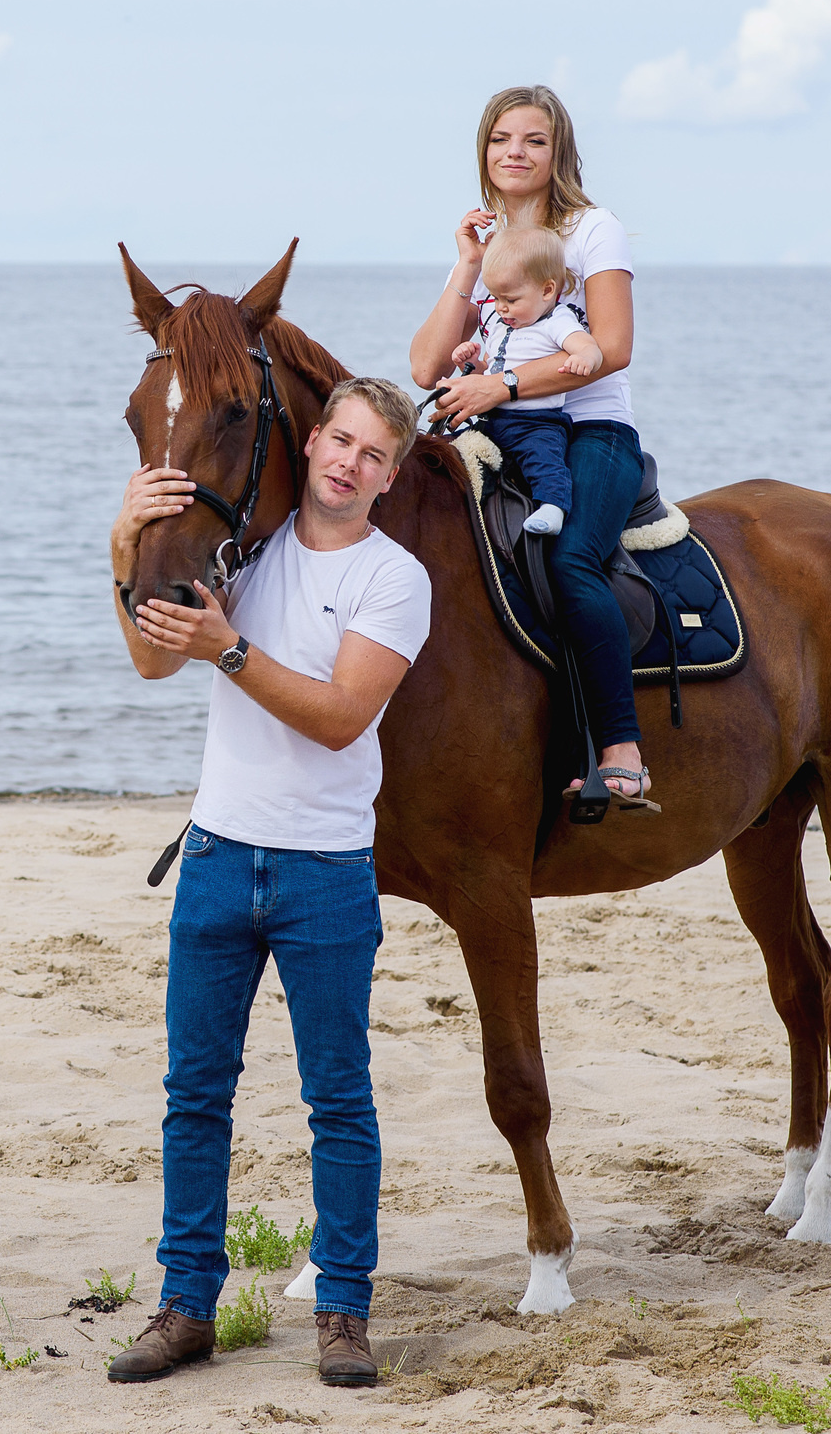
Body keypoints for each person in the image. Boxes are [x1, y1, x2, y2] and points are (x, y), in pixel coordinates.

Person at [105, 376, 432, 1390]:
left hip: (325, 869)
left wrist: (231, 647)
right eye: (339, 439)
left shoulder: (394, 577)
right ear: (315, 438)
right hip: (213, 857)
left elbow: (340, 715)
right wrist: (122, 542)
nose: (348, 462)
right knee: (193, 1095)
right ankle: (185, 1305)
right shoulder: (242, 547)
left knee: (337, 1098)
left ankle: (343, 1311)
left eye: (373, 453)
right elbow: (152, 663)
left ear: (390, 472)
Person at [408, 85, 657, 813]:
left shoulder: (591, 230)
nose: (515, 152)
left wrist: (502, 387)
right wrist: (465, 267)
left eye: (534, 140)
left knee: (571, 557)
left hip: (590, 431)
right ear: (484, 152)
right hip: (500, 430)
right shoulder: (488, 248)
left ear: (559, 153)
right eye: (500, 139)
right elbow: (426, 368)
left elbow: (611, 347)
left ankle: (620, 745)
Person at [447, 223, 602, 535]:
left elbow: (590, 347)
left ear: (547, 290)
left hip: (537, 421)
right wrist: (472, 362)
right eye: (495, 298)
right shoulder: (504, 324)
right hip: (494, 416)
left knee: (543, 461)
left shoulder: (556, 321)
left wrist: (584, 359)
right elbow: (491, 370)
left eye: (511, 299)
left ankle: (554, 507)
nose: (502, 307)